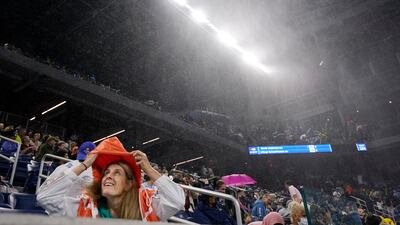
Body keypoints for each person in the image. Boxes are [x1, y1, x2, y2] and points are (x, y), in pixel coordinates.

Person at [37, 137, 185, 221]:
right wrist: (85, 164)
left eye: (117, 173)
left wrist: (149, 169)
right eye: (106, 172)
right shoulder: (85, 206)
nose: (108, 175)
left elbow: (177, 201)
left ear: (129, 183)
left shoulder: (146, 206)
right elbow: (45, 197)